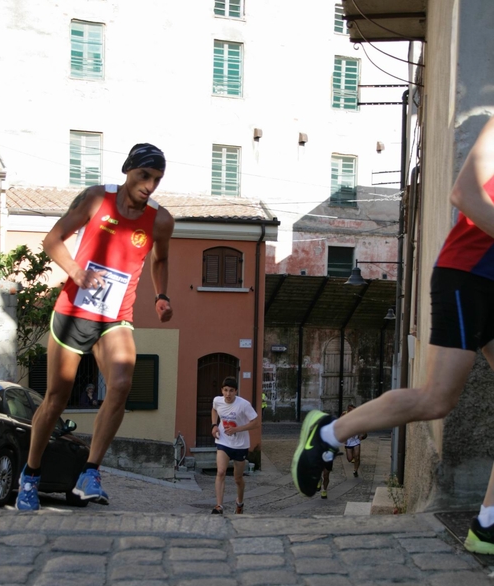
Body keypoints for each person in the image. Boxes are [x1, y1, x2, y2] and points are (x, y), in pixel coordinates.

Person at [292, 115, 494, 555]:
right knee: (438, 399)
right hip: (468, 277)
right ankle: (328, 432)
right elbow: (464, 193)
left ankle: (488, 525)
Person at [16, 143, 174, 511]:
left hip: (116, 315)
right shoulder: (94, 199)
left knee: (121, 383)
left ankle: (90, 472)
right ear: (128, 171)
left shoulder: (160, 220)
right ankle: (31, 474)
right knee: (56, 398)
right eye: (144, 176)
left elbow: (160, 259)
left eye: (157, 180)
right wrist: (76, 271)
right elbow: (52, 240)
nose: (150, 185)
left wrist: (161, 295)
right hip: (74, 310)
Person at [211, 376, 259, 515]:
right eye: (225, 390)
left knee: (238, 478)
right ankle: (219, 505)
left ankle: (240, 502)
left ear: (236, 391)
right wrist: (214, 425)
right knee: (220, 472)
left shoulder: (243, 405)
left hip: (240, 445)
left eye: (231, 391)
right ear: (222, 390)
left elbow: (255, 423)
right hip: (223, 442)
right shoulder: (217, 401)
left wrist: (237, 429)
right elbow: (214, 410)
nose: (228, 394)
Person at [341, 403, 367, 477]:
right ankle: (351, 455)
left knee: (357, 457)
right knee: (349, 459)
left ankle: (355, 470)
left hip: (356, 440)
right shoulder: (344, 415)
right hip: (348, 440)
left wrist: (363, 436)